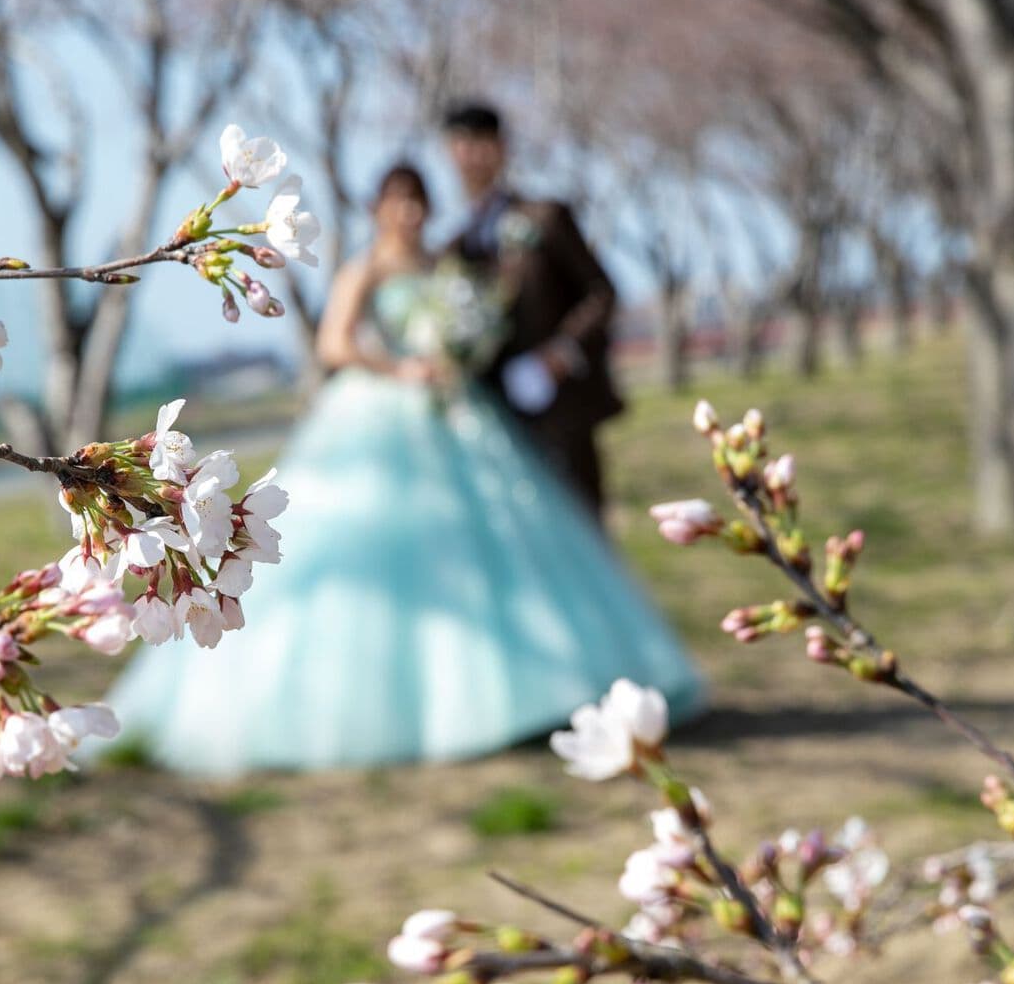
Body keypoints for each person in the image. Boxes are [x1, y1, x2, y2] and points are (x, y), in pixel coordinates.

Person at [105, 161, 703, 775]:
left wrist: (457, 352)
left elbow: (477, 327)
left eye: (418, 200)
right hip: (378, 409)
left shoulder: (447, 268)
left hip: (456, 405)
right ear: (378, 208)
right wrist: (399, 370)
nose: (410, 212)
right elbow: (334, 343)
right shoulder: (367, 268)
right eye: (398, 200)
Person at [444, 100, 622, 512]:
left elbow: (602, 294)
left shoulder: (546, 217)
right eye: (459, 145)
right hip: (494, 421)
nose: (470, 156)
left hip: (559, 411)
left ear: (502, 148)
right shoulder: (454, 246)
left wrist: (555, 358)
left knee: (580, 528)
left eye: (480, 143)